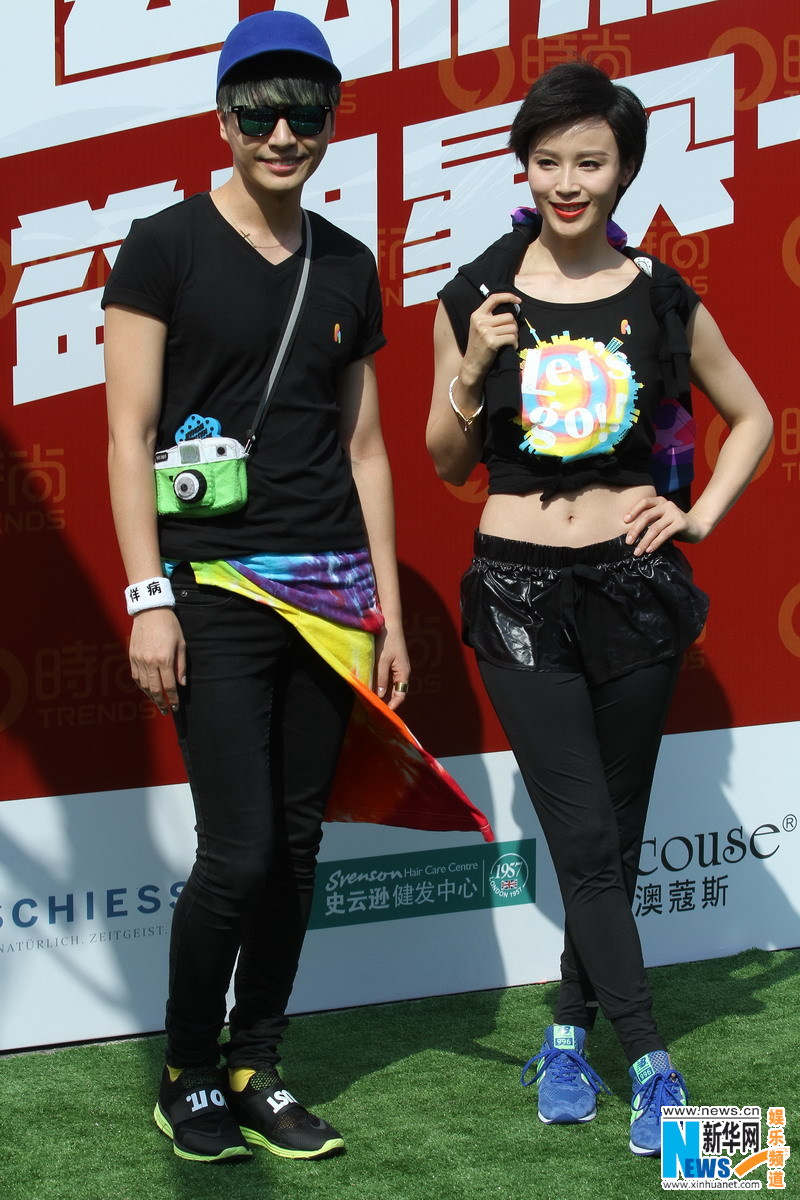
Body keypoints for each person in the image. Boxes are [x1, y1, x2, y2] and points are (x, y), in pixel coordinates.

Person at [427, 60, 772, 1157]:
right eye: (547, 162)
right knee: (582, 832)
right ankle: (655, 1063)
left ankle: (568, 1035)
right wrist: (472, 367)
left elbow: (753, 415)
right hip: (517, 592)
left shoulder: (659, 294)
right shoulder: (476, 294)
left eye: (590, 161)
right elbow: (445, 462)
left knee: (613, 838)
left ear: (623, 171)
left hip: (632, 589)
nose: (567, 182)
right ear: (522, 169)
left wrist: (697, 514)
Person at [103, 10, 411, 1164]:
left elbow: (365, 450)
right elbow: (127, 438)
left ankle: (256, 1063)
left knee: (293, 846)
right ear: (222, 120)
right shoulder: (163, 246)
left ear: (331, 119)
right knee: (235, 852)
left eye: (305, 112)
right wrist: (149, 598)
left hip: (329, 592)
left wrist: (383, 610)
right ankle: (187, 1069)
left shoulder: (347, 263)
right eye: (259, 112)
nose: (283, 134)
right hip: (216, 588)